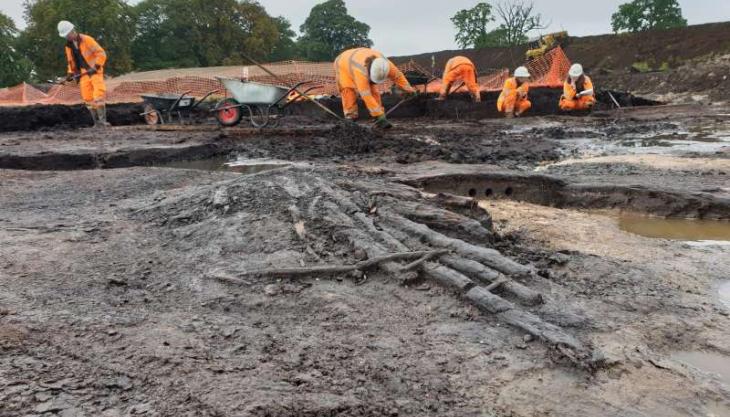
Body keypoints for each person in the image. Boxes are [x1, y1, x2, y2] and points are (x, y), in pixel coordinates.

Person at [334, 47, 417, 129]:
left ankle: (378, 118)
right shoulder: (360, 72)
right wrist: (380, 115)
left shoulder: (386, 65)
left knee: (374, 91)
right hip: (342, 63)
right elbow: (366, 96)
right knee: (348, 90)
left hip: (357, 57)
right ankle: (350, 117)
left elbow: (398, 76)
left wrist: (409, 90)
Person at [57, 20, 109, 128]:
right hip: (83, 74)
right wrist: (69, 74)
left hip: (94, 72)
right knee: (87, 98)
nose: (67, 37)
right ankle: (97, 123)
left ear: (72, 31)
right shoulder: (68, 46)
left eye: (67, 35)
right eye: (65, 36)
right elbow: (70, 61)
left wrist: (96, 66)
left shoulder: (87, 40)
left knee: (98, 95)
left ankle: (103, 121)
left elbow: (101, 53)